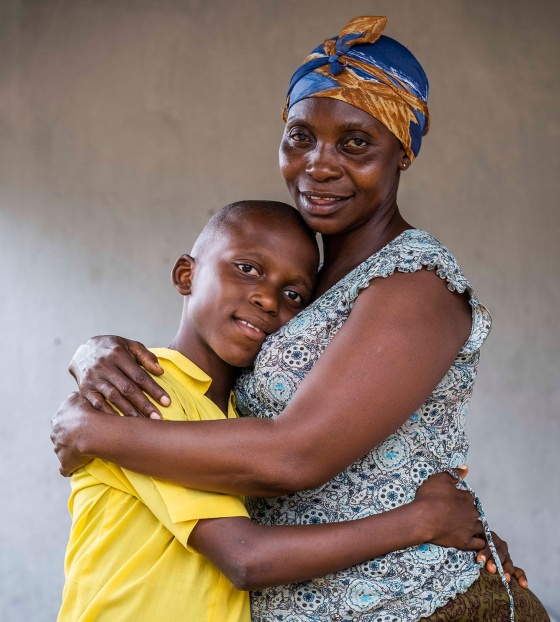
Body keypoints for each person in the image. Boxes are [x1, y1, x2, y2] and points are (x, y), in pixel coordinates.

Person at [51, 16, 550, 622]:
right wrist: (92, 351)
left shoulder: (412, 285)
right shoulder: (305, 289)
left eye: (356, 142)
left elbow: (293, 459)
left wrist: (92, 431)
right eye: (299, 137)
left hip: (418, 606)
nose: (319, 164)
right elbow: (213, 388)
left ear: (404, 151)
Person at [57, 200, 486, 622]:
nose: (266, 298)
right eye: (247, 268)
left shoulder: (239, 418)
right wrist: (422, 521)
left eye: (293, 294)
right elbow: (247, 559)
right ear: (186, 275)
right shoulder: (144, 392)